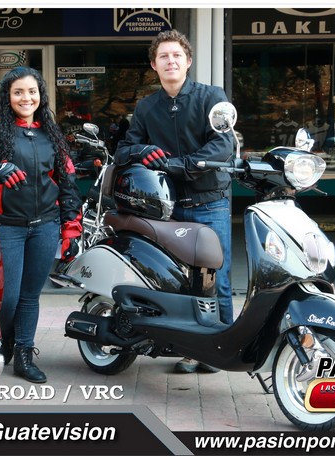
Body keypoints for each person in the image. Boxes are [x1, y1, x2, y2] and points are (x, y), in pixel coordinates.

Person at [115, 30, 234, 374]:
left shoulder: (212, 97)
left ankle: (222, 347)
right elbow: (124, 150)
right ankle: (190, 349)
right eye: (164, 56)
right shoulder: (146, 106)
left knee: (216, 278)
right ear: (154, 65)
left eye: (177, 55)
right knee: (177, 280)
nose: (171, 61)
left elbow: (222, 146)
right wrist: (142, 150)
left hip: (210, 203)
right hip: (167, 208)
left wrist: (179, 165)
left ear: (188, 61)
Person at [0, 66, 82, 383]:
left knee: (30, 296)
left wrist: (71, 230)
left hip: (45, 226)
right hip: (7, 227)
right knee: (8, 298)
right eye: (18, 92)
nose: (26, 98)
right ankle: (1, 341)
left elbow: (68, 184)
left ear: (40, 95)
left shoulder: (52, 133)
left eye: (32, 91)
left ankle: (23, 355)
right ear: (8, 96)